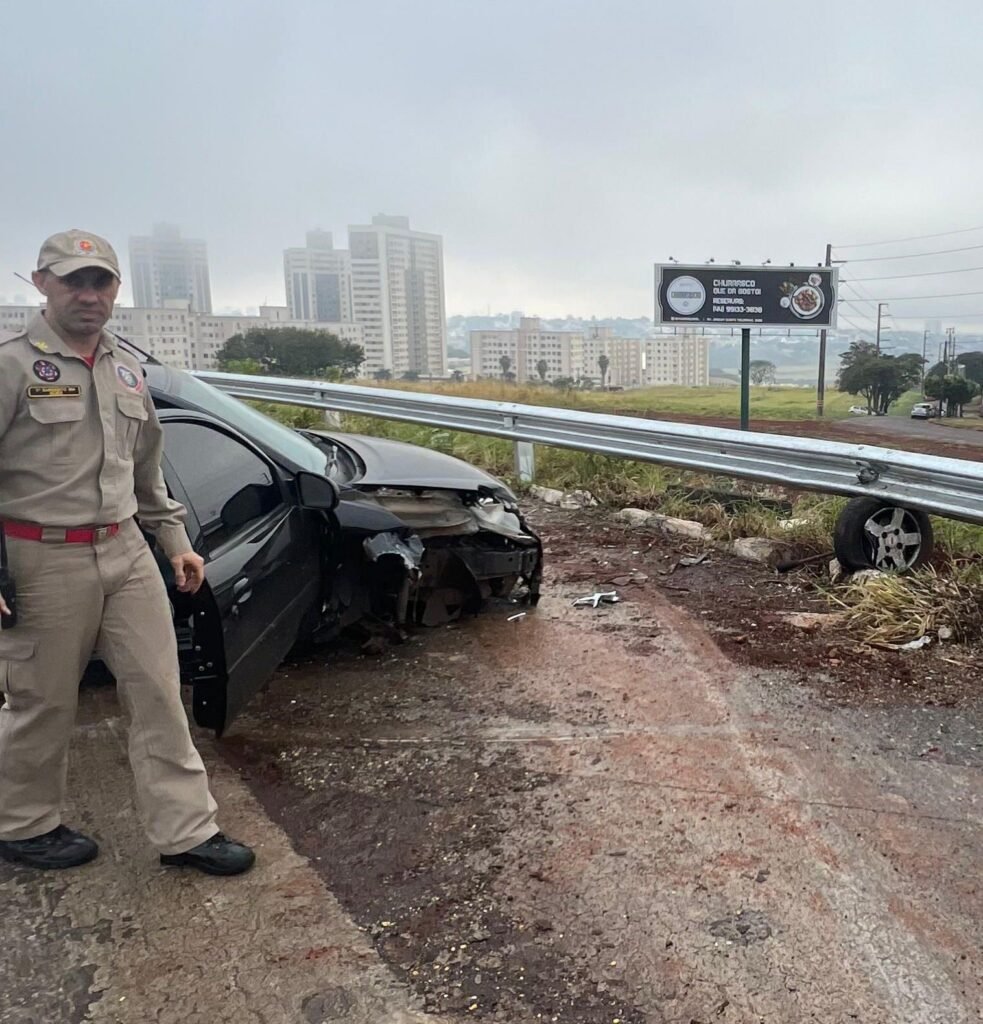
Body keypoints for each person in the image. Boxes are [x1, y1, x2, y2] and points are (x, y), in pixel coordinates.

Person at [0, 229, 254, 875]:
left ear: (115, 289)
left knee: (159, 693)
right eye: (73, 280)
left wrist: (175, 541)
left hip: (125, 551)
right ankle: (23, 825)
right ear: (42, 283)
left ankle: (186, 832)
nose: (89, 294)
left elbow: (146, 473)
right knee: (41, 701)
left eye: (101, 281)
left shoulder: (126, 368)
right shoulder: (10, 366)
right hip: (40, 559)